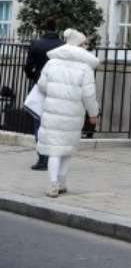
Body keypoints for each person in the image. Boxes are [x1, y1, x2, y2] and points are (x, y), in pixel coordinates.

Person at [36, 28, 100, 198]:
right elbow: (89, 94)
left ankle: (52, 184)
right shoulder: (85, 68)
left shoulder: (52, 63)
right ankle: (62, 182)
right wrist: (93, 113)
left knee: (54, 150)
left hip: (52, 111)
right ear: (78, 45)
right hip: (73, 113)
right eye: (84, 44)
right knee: (67, 149)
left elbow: (42, 85)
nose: (85, 47)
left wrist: (54, 92)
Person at [24, 17, 60, 171]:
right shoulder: (62, 46)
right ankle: (53, 157)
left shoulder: (36, 44)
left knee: (38, 120)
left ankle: (42, 158)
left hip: (38, 84)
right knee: (54, 122)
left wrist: (34, 77)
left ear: (45, 28)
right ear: (56, 28)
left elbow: (28, 66)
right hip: (56, 86)